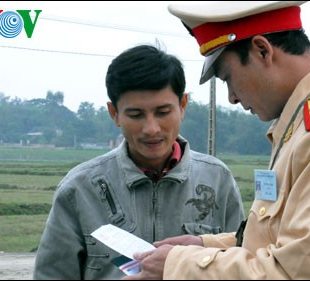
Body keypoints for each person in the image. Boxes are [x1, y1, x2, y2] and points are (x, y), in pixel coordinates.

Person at [125, 1, 310, 280]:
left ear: (262, 50)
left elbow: (300, 273)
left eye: (228, 78)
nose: (232, 97)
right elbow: (286, 242)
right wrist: (206, 247)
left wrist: (178, 266)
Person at [33, 43, 245, 280]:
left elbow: (241, 263)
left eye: (163, 112)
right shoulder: (79, 188)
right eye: (136, 115)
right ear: (114, 113)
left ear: (183, 105)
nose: (151, 128)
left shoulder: (217, 179)